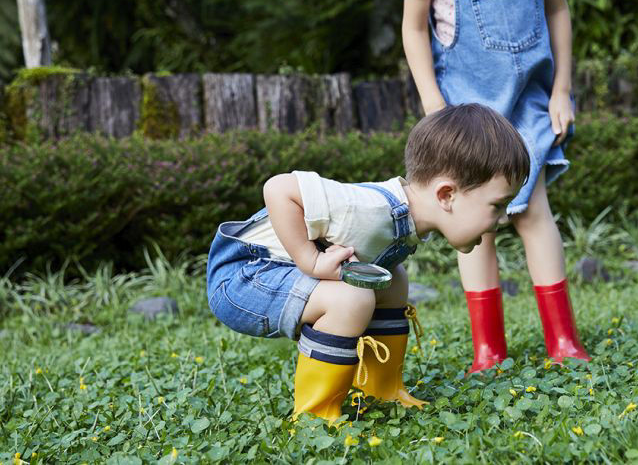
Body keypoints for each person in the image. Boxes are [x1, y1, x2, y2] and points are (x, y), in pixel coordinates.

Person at [394, 0, 590, 373]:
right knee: (475, 226)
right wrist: (434, 105)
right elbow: (413, 29)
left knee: (532, 212)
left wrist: (561, 90)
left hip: (528, 97)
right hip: (464, 104)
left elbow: (558, 9)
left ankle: (561, 338)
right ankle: (488, 347)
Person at [205, 104, 530, 422]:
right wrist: (311, 261)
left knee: (393, 279)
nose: (503, 219)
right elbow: (278, 188)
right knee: (353, 298)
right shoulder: (369, 210)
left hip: (268, 274)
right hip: (243, 275)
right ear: (446, 195)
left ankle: (381, 388)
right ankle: (314, 417)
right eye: (497, 205)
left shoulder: (406, 220)